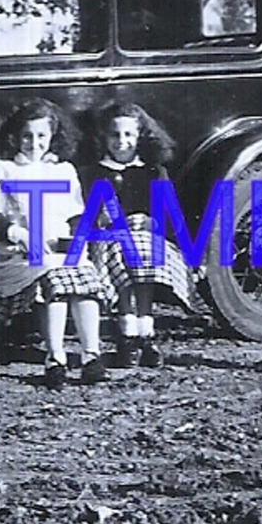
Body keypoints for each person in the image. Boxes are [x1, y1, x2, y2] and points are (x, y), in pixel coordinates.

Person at [0, 99, 113, 389]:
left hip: (57, 248)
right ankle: (55, 358)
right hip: (15, 252)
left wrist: (77, 239)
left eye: (41, 136)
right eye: (27, 136)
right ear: (15, 137)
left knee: (84, 276)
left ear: (53, 136)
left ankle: (91, 357)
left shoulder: (63, 170)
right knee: (55, 277)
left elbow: (76, 213)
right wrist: (20, 234)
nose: (34, 143)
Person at [82, 101, 197, 368]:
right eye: (115, 135)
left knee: (144, 252)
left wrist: (150, 222)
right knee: (124, 252)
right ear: (104, 137)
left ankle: (145, 336)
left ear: (141, 137)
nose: (122, 142)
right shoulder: (95, 173)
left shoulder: (153, 172)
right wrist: (101, 218)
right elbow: (86, 215)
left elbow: (169, 214)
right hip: (108, 240)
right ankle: (127, 338)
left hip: (145, 238)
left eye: (129, 135)